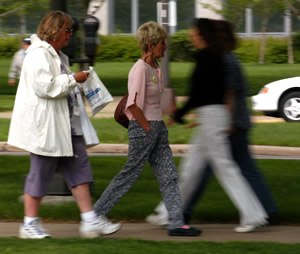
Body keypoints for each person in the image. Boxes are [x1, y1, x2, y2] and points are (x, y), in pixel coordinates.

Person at [146, 18, 268, 233]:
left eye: (194, 32)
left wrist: (180, 114)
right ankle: (168, 213)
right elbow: (204, 95)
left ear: (202, 35)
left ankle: (253, 216)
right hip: (211, 117)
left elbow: (199, 94)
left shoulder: (208, 58)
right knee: (191, 169)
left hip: (212, 117)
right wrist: (184, 114)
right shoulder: (214, 57)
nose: (191, 35)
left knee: (225, 168)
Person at [8, 10, 120, 239]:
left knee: (80, 170)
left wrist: (80, 85)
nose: (70, 35)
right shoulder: (39, 54)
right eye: (68, 30)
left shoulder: (58, 56)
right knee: (40, 173)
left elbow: (60, 87)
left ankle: (89, 220)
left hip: (66, 125)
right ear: (56, 31)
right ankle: (28, 224)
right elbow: (44, 87)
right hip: (47, 129)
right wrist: (72, 80)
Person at [93, 21, 201, 237]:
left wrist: (162, 121)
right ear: (151, 45)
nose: (166, 47)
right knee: (129, 174)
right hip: (144, 129)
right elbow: (132, 104)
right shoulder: (139, 69)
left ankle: (176, 223)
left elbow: (153, 101)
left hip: (157, 128)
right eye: (162, 43)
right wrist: (147, 128)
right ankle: (95, 216)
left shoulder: (154, 68)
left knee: (169, 175)